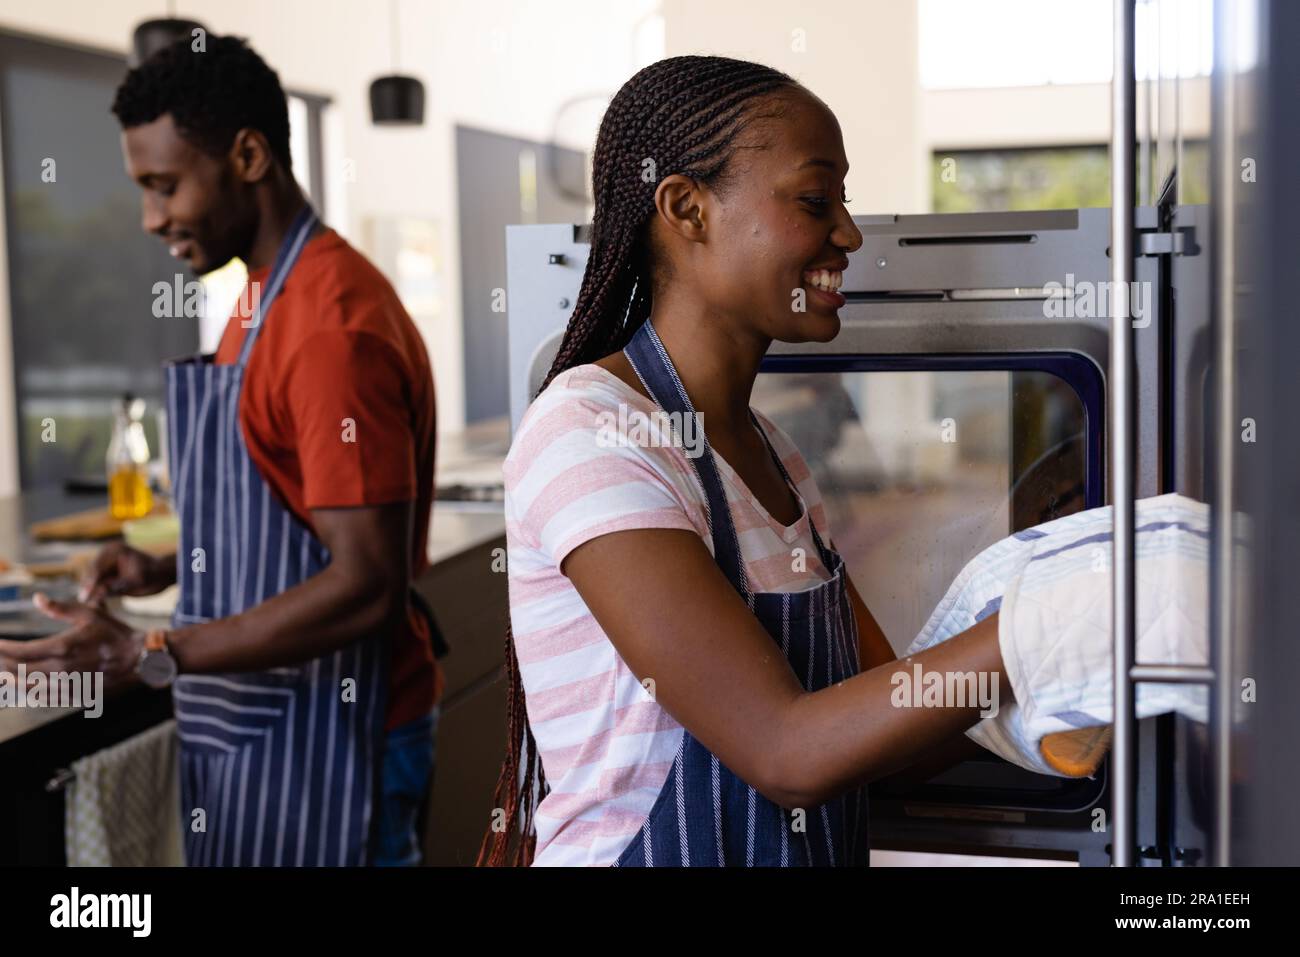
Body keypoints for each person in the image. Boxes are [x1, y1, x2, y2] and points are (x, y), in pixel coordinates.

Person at [482, 55, 1007, 867]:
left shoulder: (775, 456)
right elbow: (787, 749)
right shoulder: (589, 434)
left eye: (845, 201)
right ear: (687, 208)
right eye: (814, 199)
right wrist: (1039, 632)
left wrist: (1082, 683)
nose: (849, 234)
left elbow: (894, 721)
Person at [0, 36, 440, 866]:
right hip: (262, 718)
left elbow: (365, 587)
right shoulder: (258, 299)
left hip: (340, 729)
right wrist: (163, 566)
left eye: (163, 186)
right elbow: (286, 509)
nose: (151, 218)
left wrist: (150, 651)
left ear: (248, 155)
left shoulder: (327, 327)